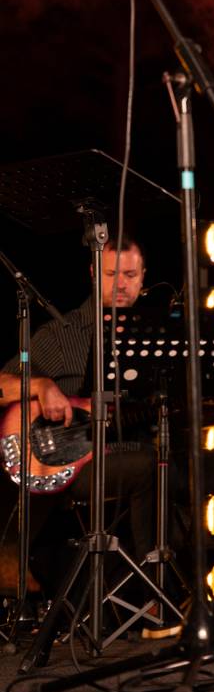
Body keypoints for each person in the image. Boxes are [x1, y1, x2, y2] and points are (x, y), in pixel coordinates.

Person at [0, 236, 156, 585]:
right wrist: (41, 386)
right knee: (150, 464)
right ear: (93, 273)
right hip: (74, 463)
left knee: (175, 463)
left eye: (130, 275)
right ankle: (152, 589)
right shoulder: (62, 334)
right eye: (111, 274)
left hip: (130, 447)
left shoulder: (156, 335)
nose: (120, 284)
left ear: (144, 276)